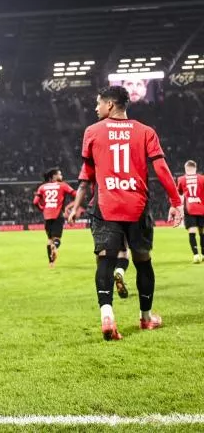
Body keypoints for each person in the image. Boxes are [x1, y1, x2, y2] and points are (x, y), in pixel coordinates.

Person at [67, 86, 182, 341]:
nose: (95, 108)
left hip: (105, 205)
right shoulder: (145, 131)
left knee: (105, 259)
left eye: (98, 104)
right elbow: (161, 168)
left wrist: (76, 206)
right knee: (143, 260)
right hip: (136, 206)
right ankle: (145, 317)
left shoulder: (92, 132)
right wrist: (176, 201)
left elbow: (86, 177)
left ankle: (107, 314)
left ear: (110, 105)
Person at [33, 168, 76, 268]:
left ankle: (51, 263)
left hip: (47, 216)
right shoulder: (63, 185)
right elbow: (75, 194)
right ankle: (55, 247)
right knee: (57, 239)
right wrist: (73, 207)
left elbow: (35, 202)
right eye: (60, 174)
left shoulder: (42, 187)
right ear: (54, 177)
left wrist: (42, 208)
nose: (61, 176)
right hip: (57, 215)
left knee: (49, 239)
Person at [177, 160, 204, 263]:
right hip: (202, 208)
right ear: (195, 168)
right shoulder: (202, 179)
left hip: (190, 209)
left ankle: (196, 255)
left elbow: (179, 194)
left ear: (186, 168)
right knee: (202, 232)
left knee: (192, 232)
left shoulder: (181, 179)